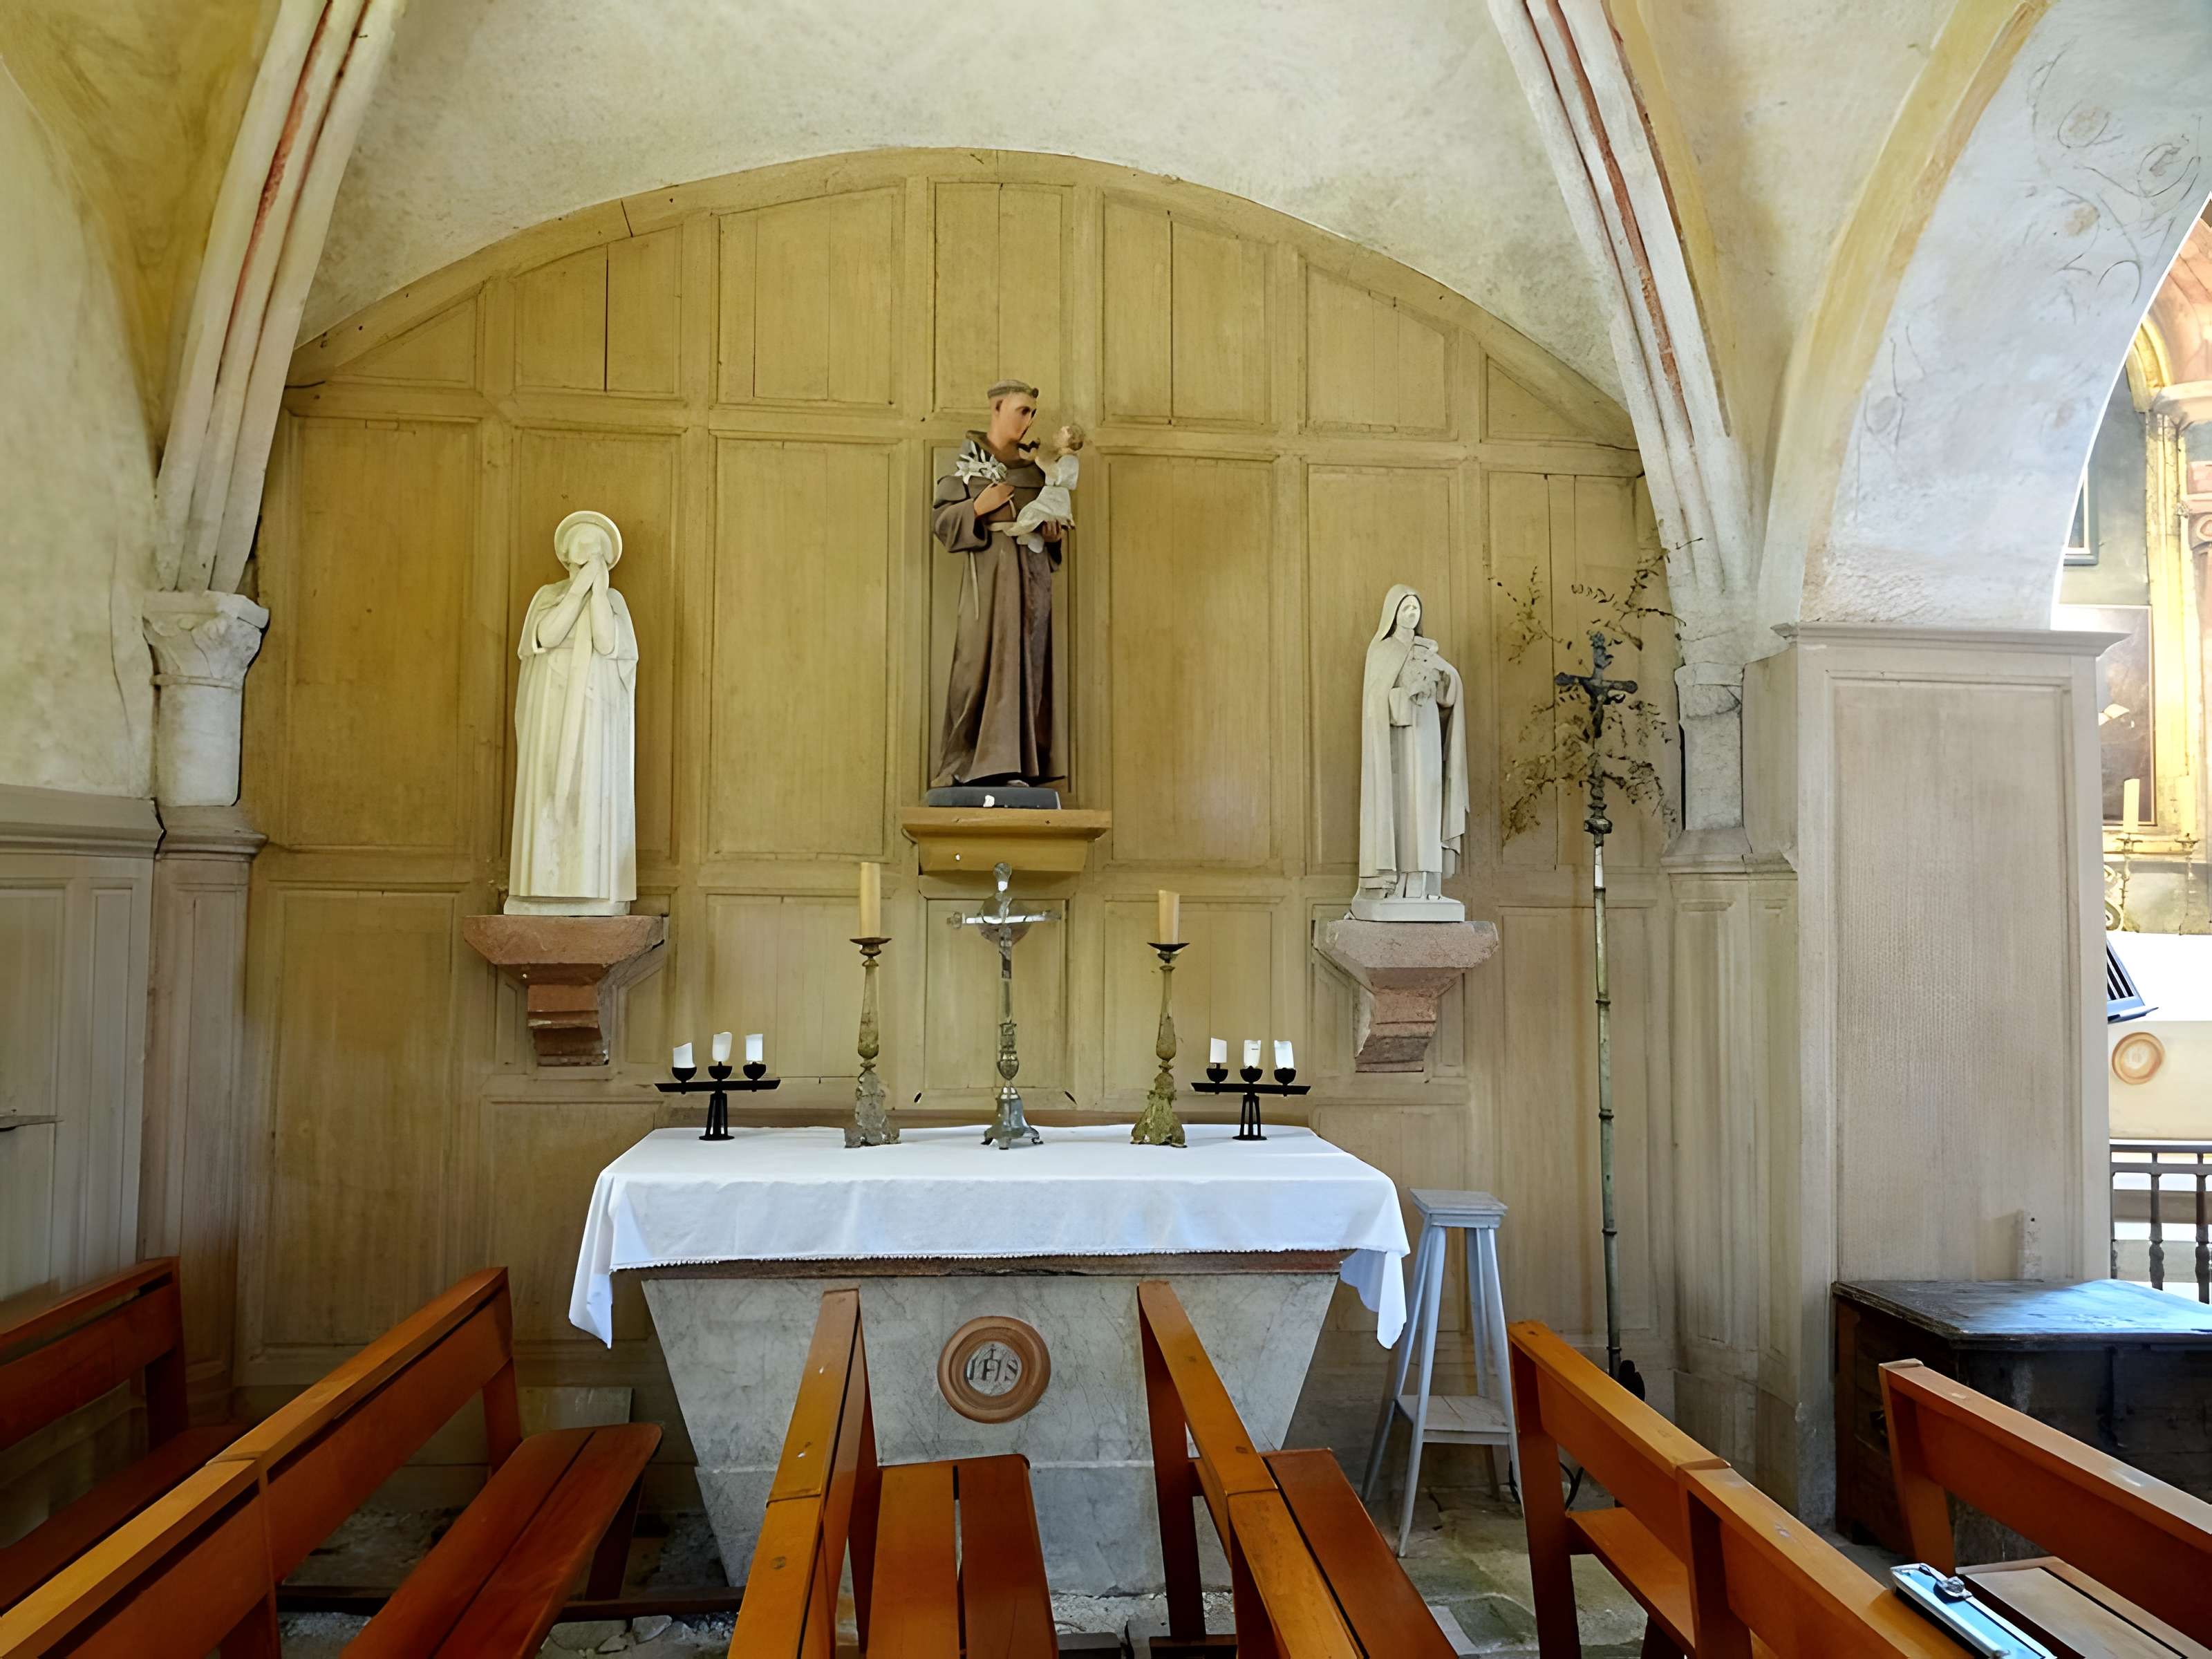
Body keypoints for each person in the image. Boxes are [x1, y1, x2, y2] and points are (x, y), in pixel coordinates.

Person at [931, 379, 1065, 787]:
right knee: (978, 667)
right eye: (1021, 411)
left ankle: (1020, 767)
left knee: (1029, 668)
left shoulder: (1038, 471)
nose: (1028, 421)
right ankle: (970, 765)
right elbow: (943, 522)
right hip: (987, 585)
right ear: (997, 408)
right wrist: (977, 507)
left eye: (1032, 414)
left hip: (1032, 582)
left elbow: (1054, 522)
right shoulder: (968, 466)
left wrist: (1054, 536)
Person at [506, 509, 638, 914]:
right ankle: (540, 884)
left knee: (592, 787)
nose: (590, 561)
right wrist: (578, 591)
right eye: (584, 552)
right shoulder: (549, 596)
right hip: (553, 706)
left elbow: (608, 643)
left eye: (598, 555)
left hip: (595, 710)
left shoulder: (612, 601)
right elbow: (544, 636)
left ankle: (591, 884)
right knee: (548, 789)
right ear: (567, 557)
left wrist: (597, 593)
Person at [1356, 583, 1468, 913]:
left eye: (1415, 608)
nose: (1411, 613)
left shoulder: (1428, 650)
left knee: (1428, 803)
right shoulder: (1382, 651)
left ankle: (1427, 881)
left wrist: (1444, 678)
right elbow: (1375, 705)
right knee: (1403, 805)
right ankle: (1398, 881)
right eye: (1405, 608)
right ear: (1393, 613)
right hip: (1397, 746)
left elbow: (1450, 693)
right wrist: (1404, 697)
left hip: (1428, 737)